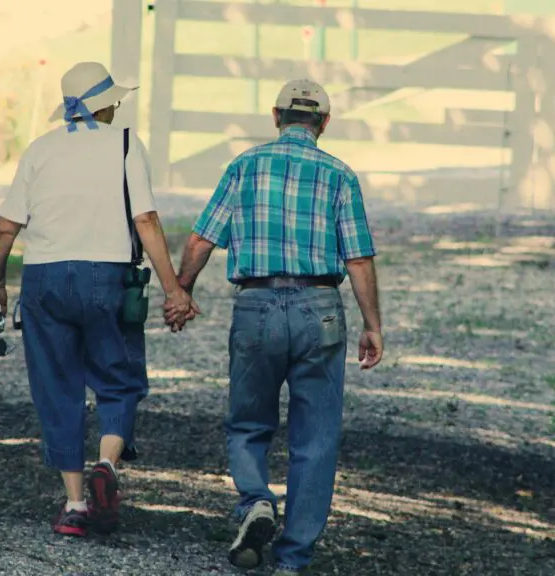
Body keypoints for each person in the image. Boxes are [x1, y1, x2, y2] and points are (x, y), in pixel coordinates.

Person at [168, 79, 383, 575]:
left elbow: (202, 240)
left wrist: (182, 292)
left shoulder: (244, 166)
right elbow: (359, 257)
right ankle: (293, 558)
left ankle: (255, 502)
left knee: (248, 421)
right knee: (317, 435)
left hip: (256, 305)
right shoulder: (339, 175)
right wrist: (373, 325)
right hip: (320, 308)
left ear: (276, 116)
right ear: (324, 123)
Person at [0, 61, 196, 538]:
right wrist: (173, 289)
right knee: (118, 379)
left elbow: (6, 227)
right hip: (107, 275)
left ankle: (76, 504)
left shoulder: (39, 150)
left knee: (57, 388)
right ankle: (107, 462)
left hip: (44, 280)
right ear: (106, 105)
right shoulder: (124, 144)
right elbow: (146, 220)